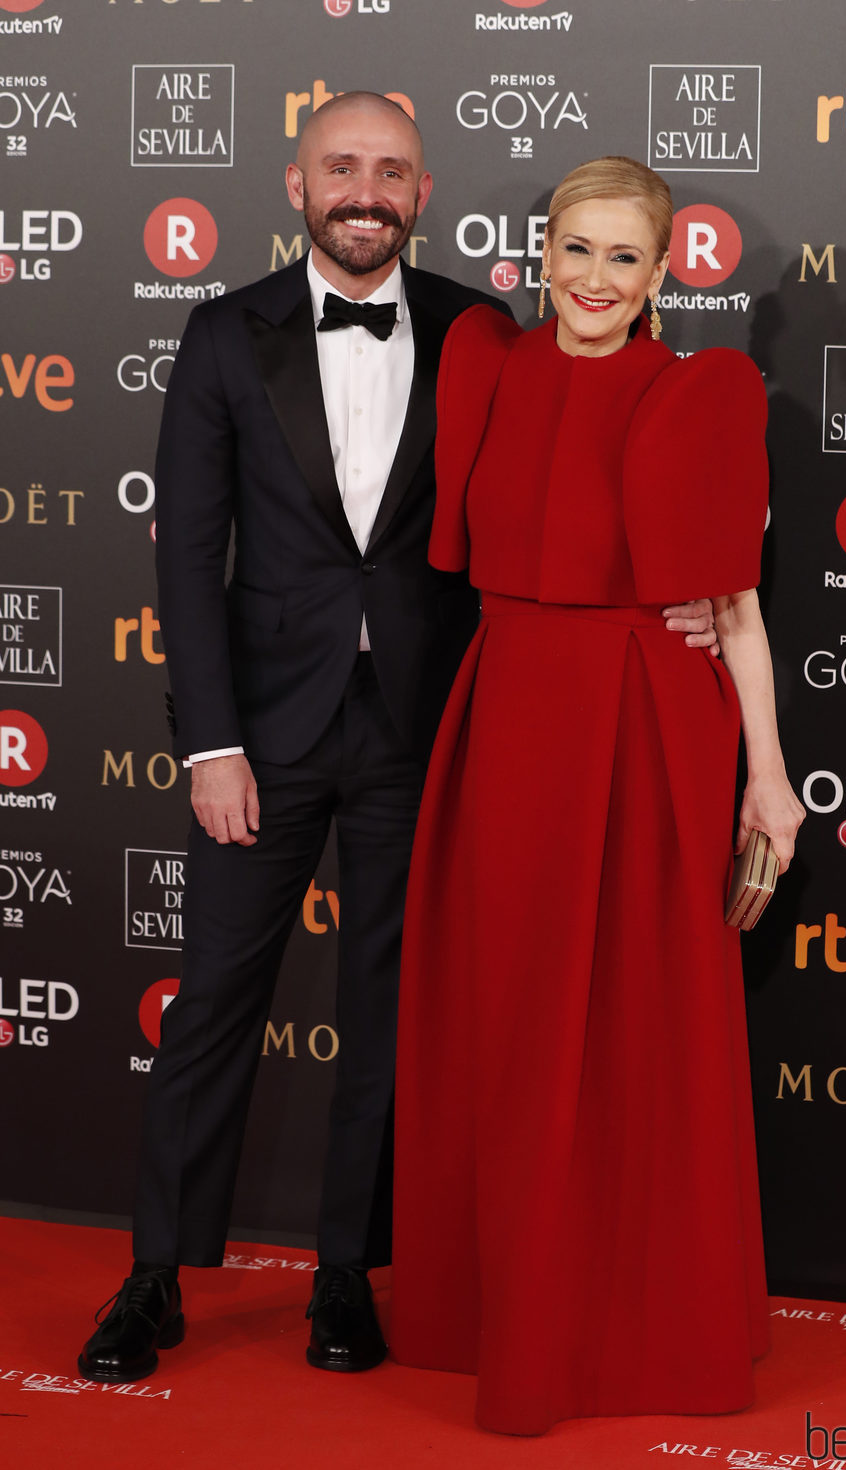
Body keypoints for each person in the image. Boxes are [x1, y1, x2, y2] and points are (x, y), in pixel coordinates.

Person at [77, 104, 716, 1386]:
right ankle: (154, 1275)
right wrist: (208, 744)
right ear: (295, 183)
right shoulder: (221, 335)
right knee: (212, 1005)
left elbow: (561, 491)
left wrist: (680, 602)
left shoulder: (479, 332)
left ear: (422, 189)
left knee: (390, 1019)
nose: (361, 193)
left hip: (428, 733)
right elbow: (189, 563)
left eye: (385, 173)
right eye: (337, 170)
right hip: (258, 735)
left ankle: (343, 1279)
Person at [389, 156, 805, 1435]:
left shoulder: (699, 395)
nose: (593, 280)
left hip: (644, 727)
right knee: (509, 1018)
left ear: (664, 272)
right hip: (510, 711)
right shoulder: (485, 366)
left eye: (624, 257)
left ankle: (638, 1329)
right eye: (576, 249)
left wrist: (769, 785)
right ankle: (499, 1315)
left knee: (639, 1023)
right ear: (541, 251)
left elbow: (732, 612)